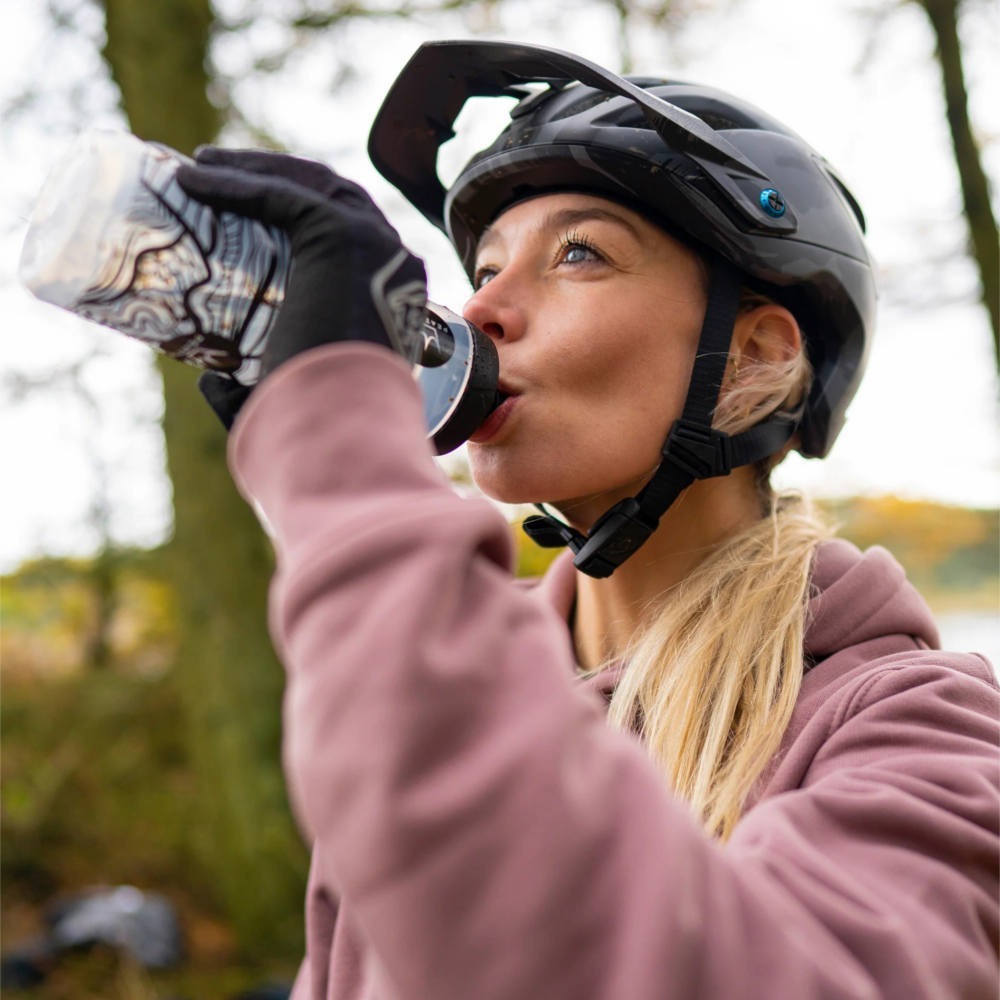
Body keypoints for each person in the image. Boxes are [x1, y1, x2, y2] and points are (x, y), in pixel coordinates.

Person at [176, 40, 999, 1000]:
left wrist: (337, 451)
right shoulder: (432, 695)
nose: (481, 309)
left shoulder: (926, 733)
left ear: (754, 358)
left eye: (579, 253)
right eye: (485, 267)